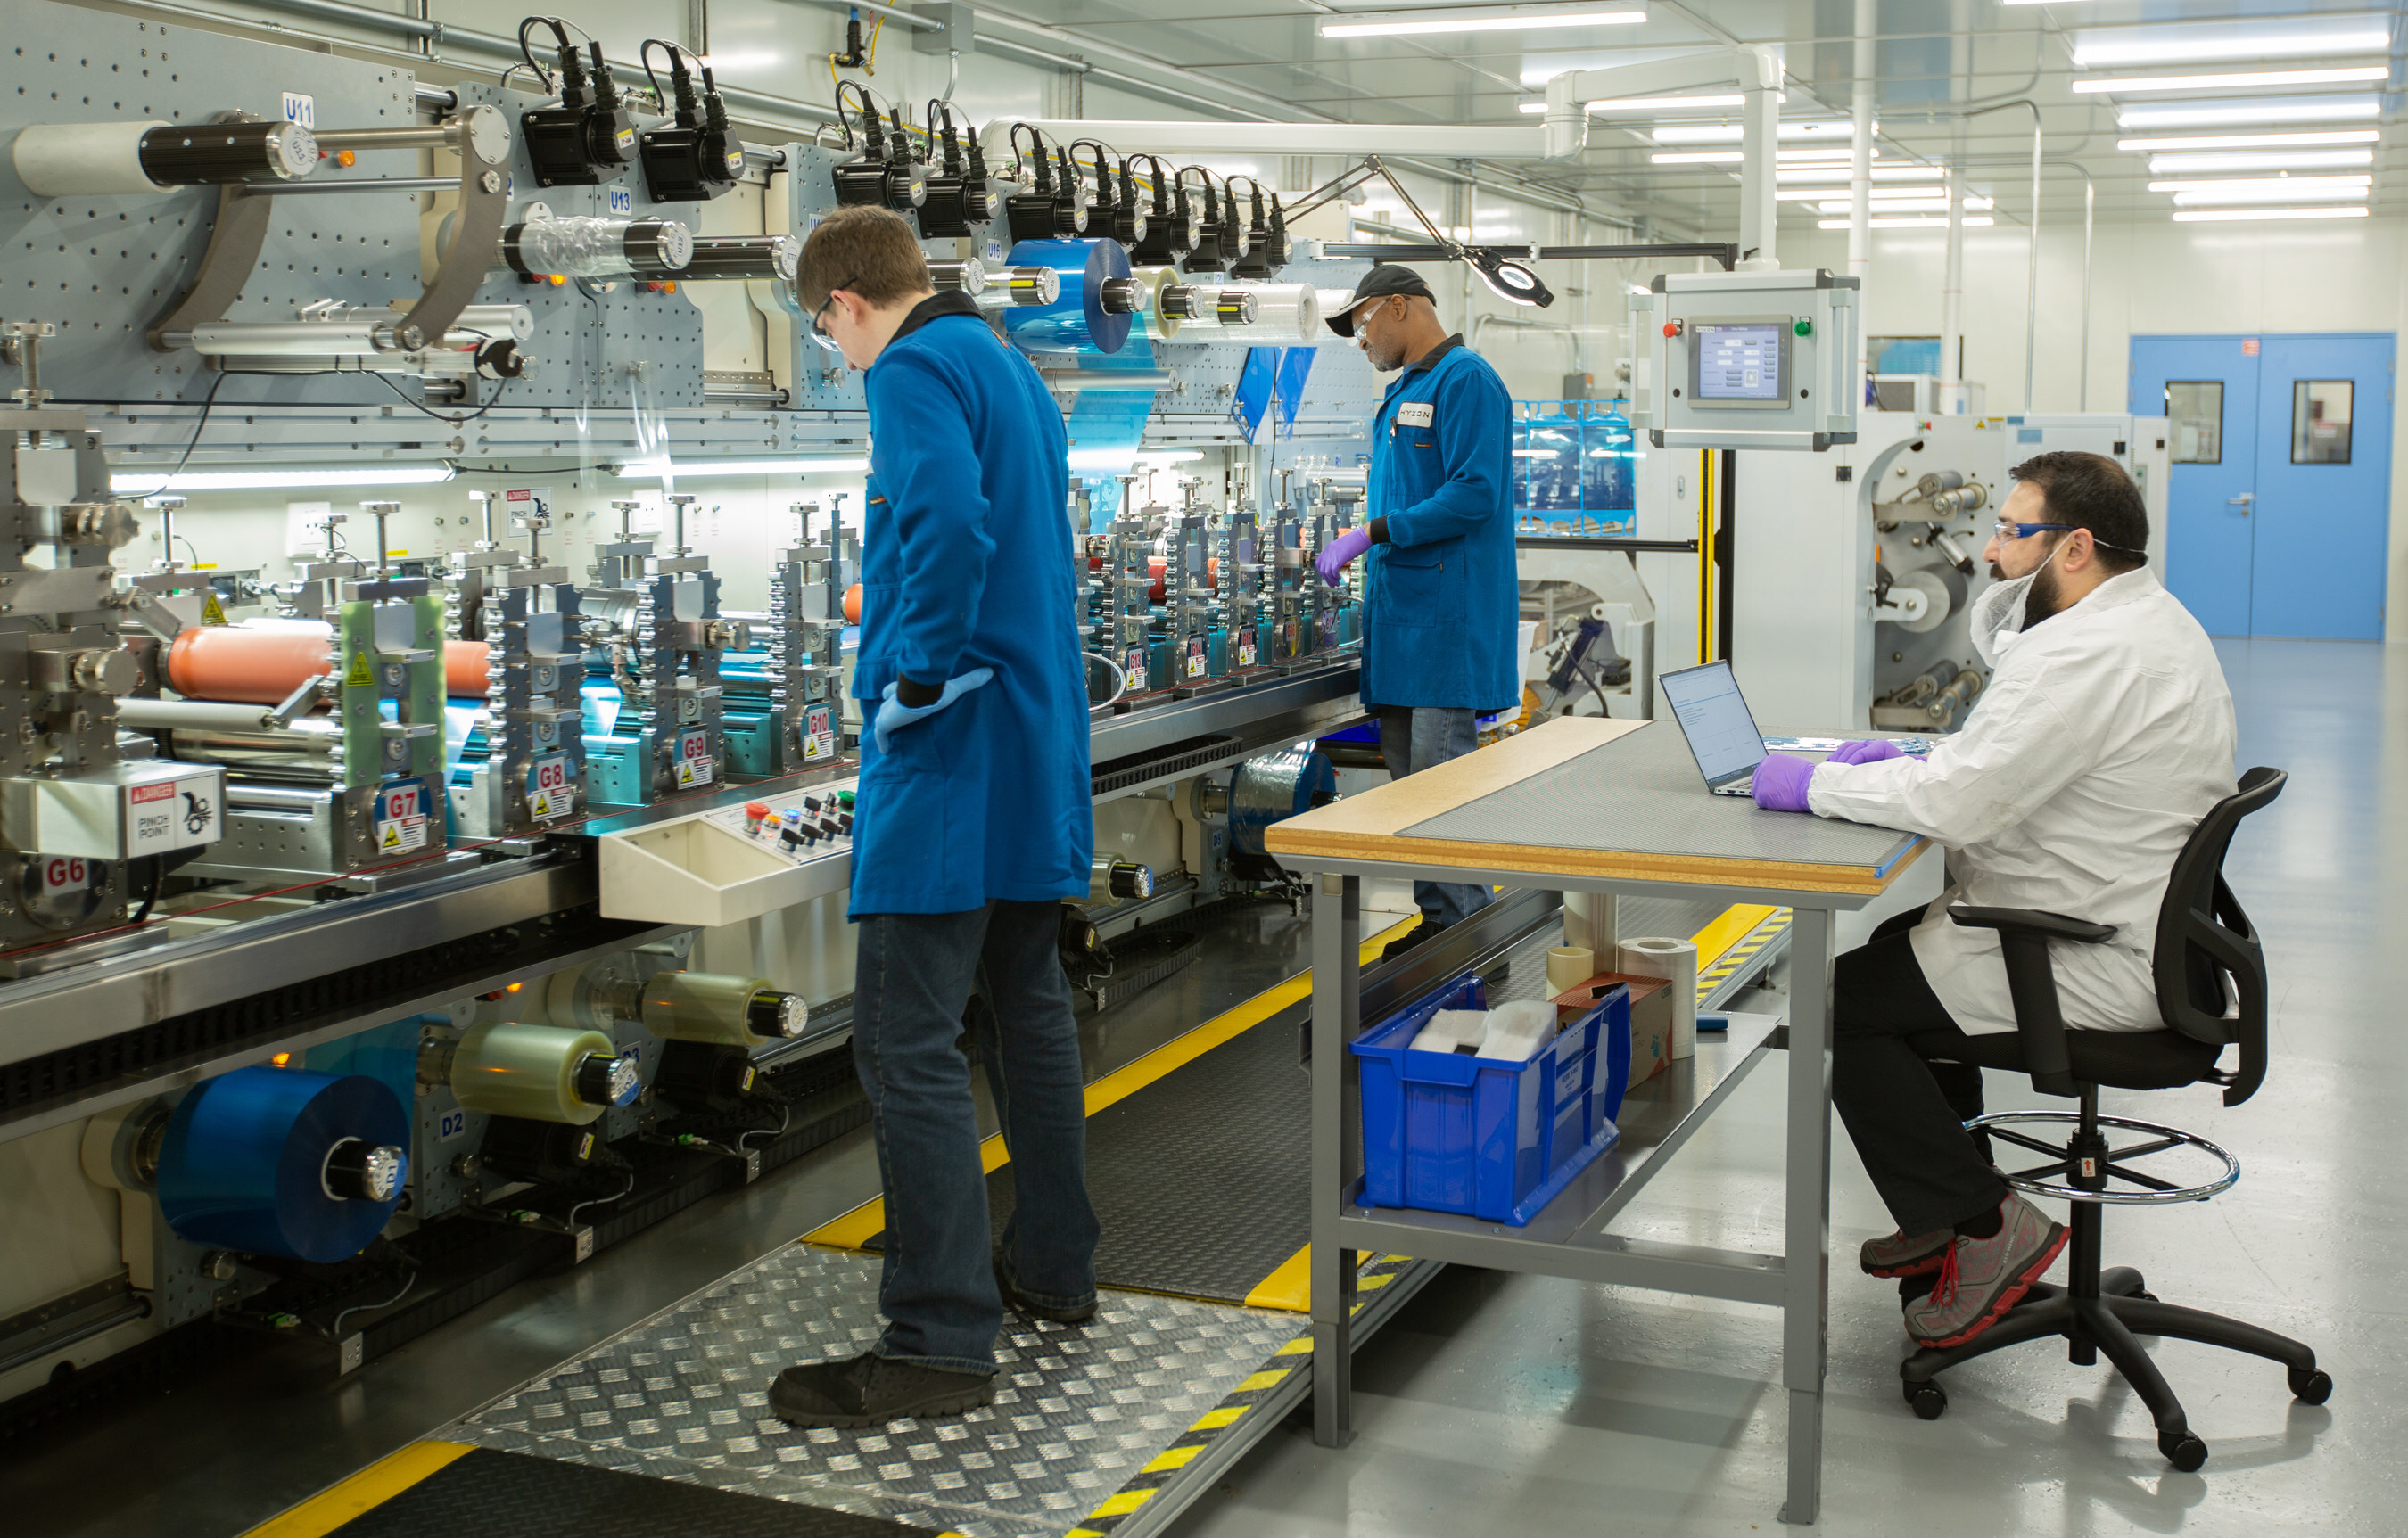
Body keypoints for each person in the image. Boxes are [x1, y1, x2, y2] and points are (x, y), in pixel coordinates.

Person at [1752, 450, 2236, 1351]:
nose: (1992, 552)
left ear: (2078, 547)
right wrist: (1905, 762)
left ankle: (1985, 1226)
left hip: (2086, 950)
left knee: (1839, 1004)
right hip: (2142, 931)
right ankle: (1950, 1210)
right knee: (1899, 945)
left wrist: (1810, 783)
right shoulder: (2148, 623)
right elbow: (2006, 769)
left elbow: (1958, 806)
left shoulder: (2087, 653)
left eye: (2013, 532)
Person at [769, 206, 1100, 1428]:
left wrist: (915, 672)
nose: (834, 352)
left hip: (952, 747)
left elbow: (949, 528)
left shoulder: (908, 369)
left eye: (823, 332)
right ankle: (1055, 1269)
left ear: (847, 304)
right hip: (1030, 741)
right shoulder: (1007, 368)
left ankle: (937, 1341)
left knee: (902, 1041)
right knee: (1024, 1009)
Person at [1314, 265, 1519, 959]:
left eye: (1366, 323)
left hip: (1446, 631)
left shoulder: (1467, 381)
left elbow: (1474, 494)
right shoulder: (1407, 391)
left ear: (1400, 306)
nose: (1364, 340)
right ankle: (1443, 924)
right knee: (1416, 793)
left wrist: (1371, 532)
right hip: (1406, 630)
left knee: (1441, 790)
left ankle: (1467, 944)